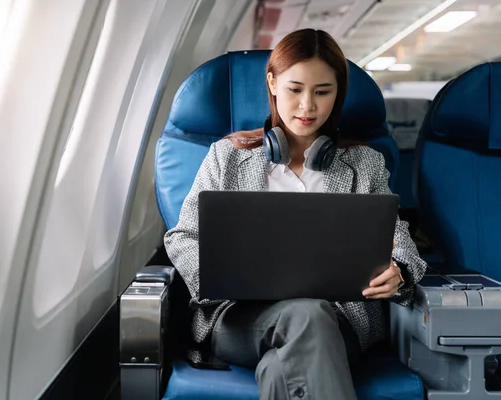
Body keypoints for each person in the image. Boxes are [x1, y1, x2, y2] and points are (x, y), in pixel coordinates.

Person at [164, 28, 427, 400]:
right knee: (306, 317)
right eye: (295, 89)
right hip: (241, 317)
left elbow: (398, 239)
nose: (308, 106)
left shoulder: (364, 164)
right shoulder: (228, 157)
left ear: (338, 94)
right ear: (272, 83)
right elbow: (183, 236)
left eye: (322, 92)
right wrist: (215, 277)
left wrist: (398, 270)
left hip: (339, 321)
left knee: (281, 366)